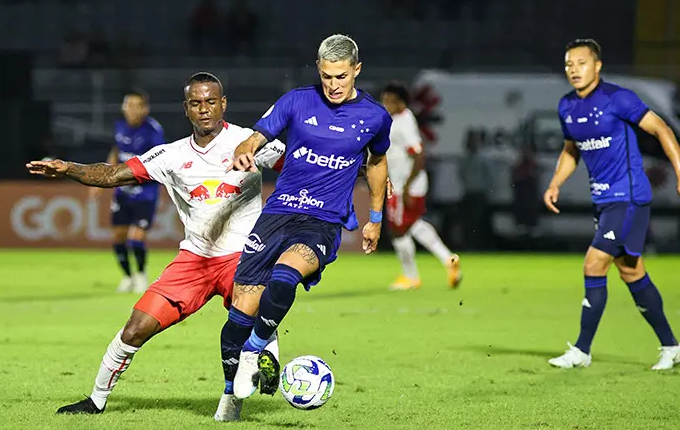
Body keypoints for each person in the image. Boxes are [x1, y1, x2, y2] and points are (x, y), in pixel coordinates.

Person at [26, 72, 286, 419]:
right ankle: (95, 401)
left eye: (211, 101)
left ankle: (251, 376)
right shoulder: (170, 155)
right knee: (135, 329)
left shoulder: (250, 142)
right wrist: (68, 168)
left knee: (246, 325)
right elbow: (112, 174)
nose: (204, 109)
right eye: (196, 103)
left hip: (243, 258)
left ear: (223, 104)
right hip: (194, 261)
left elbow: (299, 167)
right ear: (186, 109)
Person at [220, 34, 392, 404]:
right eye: (327, 76)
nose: (334, 84)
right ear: (318, 69)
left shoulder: (375, 117)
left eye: (341, 76)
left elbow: (377, 163)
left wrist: (375, 218)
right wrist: (244, 150)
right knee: (238, 315)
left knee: (285, 277)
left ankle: (254, 349)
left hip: (322, 221)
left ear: (357, 70)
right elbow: (256, 138)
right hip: (277, 213)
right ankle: (229, 402)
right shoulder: (297, 101)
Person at [544, 38, 680, 370]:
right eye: (569, 65)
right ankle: (672, 346)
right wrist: (555, 183)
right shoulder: (566, 106)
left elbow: (661, 129)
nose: (574, 70)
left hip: (629, 198)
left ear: (597, 65)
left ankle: (582, 350)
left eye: (581, 63)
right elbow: (571, 149)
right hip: (604, 200)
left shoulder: (618, 98)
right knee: (632, 272)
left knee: (594, 263)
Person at [380, 81, 461, 290]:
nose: (386, 104)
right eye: (384, 100)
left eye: (390, 101)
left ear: (401, 102)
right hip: (407, 183)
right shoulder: (397, 119)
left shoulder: (404, 122)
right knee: (413, 224)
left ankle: (411, 276)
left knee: (398, 231)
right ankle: (448, 259)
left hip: (404, 185)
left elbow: (418, 155)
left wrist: (407, 186)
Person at [90, 90, 165, 293]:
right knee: (118, 237)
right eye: (128, 105)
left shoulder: (153, 131)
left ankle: (141, 275)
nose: (132, 110)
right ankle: (127, 277)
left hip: (145, 192)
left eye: (136, 105)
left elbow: (161, 161)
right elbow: (116, 153)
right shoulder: (119, 126)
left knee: (137, 237)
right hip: (122, 192)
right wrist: (101, 182)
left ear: (145, 109)